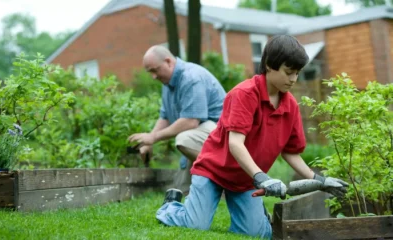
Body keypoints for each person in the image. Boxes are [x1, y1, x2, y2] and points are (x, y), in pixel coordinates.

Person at [155, 35, 349, 239]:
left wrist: (320, 180)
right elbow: (236, 144)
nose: (293, 79)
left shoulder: (290, 105)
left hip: (246, 180)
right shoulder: (244, 94)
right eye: (288, 72)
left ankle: (257, 216)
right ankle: (171, 205)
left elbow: (290, 153)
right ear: (269, 65)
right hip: (213, 171)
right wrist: (262, 178)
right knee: (195, 226)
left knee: (256, 233)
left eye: (297, 73)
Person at [128, 45, 226, 193]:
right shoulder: (167, 83)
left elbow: (191, 121)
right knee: (181, 189)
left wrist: (154, 137)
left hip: (223, 135)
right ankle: (202, 189)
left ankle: (226, 180)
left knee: (184, 139)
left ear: (168, 61)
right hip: (202, 135)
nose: (153, 76)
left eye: (155, 70)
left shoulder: (191, 78)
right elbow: (165, 116)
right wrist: (148, 141)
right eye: (150, 72)